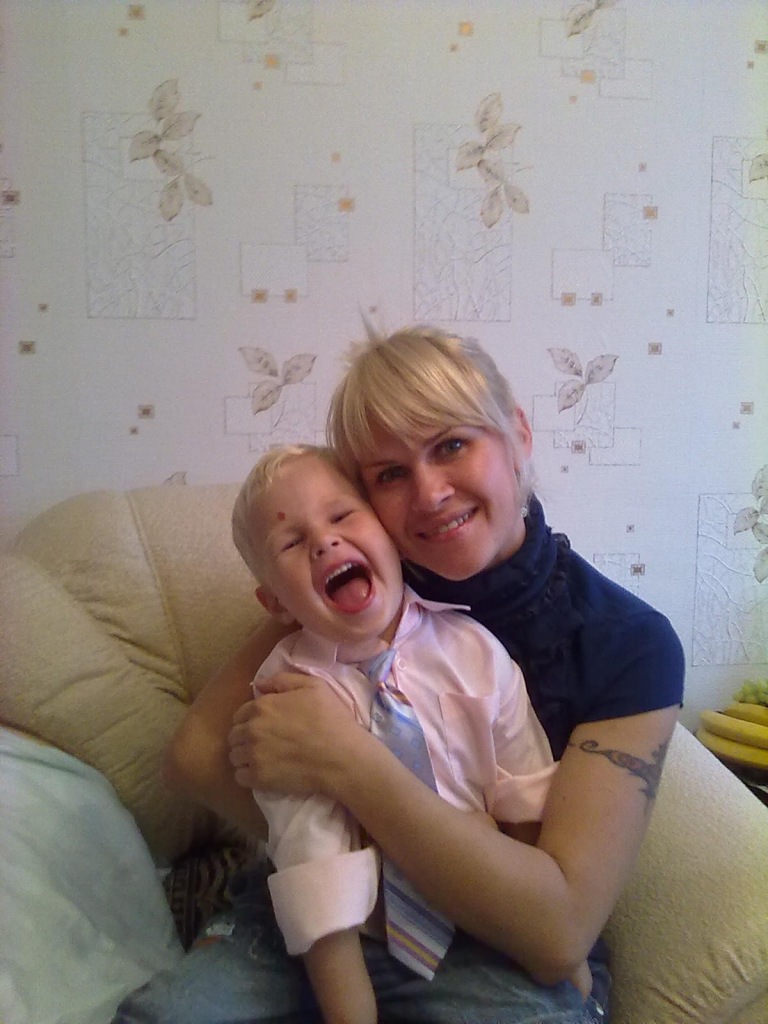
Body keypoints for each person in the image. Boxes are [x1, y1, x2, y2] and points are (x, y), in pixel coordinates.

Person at [120, 325, 685, 1024]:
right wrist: (335, 868)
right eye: (389, 474)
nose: (429, 493)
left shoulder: (628, 643)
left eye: (452, 445)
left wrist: (347, 763)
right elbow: (196, 758)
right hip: (318, 920)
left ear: (517, 434)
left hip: (493, 942)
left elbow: (557, 931)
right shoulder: (356, 584)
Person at [226, 441, 561, 1023]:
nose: (325, 543)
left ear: (388, 535)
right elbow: (311, 855)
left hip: (477, 921)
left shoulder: (477, 653)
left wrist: (546, 947)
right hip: (344, 943)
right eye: (292, 542)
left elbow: (527, 794)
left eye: (341, 516)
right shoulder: (287, 692)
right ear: (274, 602)